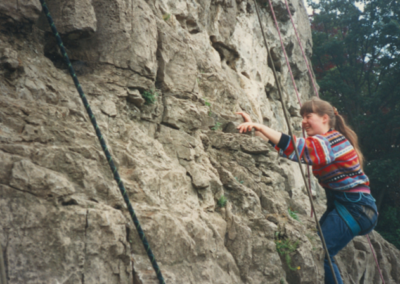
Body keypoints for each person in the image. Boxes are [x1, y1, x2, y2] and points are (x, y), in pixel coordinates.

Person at [236, 97, 378, 284]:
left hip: (356, 209)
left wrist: (261, 127)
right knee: (320, 248)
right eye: (302, 116)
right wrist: (256, 130)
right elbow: (290, 150)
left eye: (308, 116)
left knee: (323, 252)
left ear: (324, 118)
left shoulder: (332, 141)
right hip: (349, 206)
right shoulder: (326, 142)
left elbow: (300, 148)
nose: (303, 121)